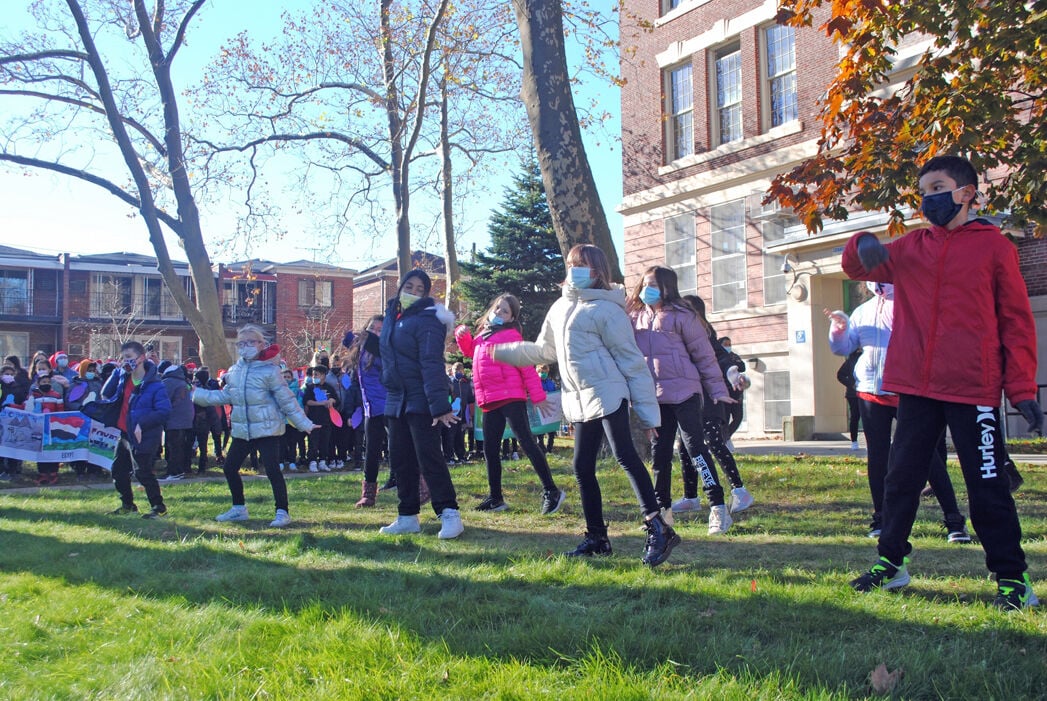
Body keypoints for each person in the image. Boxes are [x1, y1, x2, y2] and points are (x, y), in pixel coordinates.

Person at [845, 155, 1042, 610]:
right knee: (901, 479)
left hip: (972, 387)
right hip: (914, 386)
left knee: (986, 484)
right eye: (923, 190)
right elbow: (858, 268)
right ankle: (890, 564)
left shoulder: (995, 248)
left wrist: (1023, 389)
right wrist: (864, 243)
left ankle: (1013, 579)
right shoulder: (912, 247)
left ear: (966, 192)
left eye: (938, 187)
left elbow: (1015, 321)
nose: (928, 197)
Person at [492, 244, 679, 567]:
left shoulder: (607, 311)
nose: (575, 269)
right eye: (571, 263)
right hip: (578, 400)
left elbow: (632, 363)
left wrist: (649, 416)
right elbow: (543, 351)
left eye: (583, 265)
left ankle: (658, 526)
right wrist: (501, 352)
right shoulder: (559, 308)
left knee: (625, 456)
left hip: (608, 392)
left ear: (598, 272)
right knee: (581, 467)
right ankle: (596, 537)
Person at [827, 282, 971, 542]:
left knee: (927, 458)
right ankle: (881, 519)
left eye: (883, 275)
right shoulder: (863, 311)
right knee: (878, 458)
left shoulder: (912, 304)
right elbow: (842, 348)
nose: (877, 283)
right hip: (871, 391)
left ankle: (954, 521)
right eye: (872, 277)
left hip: (908, 391)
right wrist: (839, 329)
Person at [628, 268, 737, 535]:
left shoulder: (683, 316)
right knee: (659, 455)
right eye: (644, 284)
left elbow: (704, 355)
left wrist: (717, 388)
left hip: (686, 393)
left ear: (667, 288)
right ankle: (662, 512)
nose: (647, 289)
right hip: (655, 397)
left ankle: (718, 508)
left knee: (695, 450)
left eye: (653, 285)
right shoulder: (634, 318)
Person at [192, 325, 316, 528]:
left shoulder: (271, 371)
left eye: (250, 342)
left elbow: (287, 400)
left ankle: (282, 511)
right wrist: (197, 395)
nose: (245, 346)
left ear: (262, 344)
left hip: (267, 429)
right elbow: (226, 396)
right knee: (230, 468)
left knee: (272, 470)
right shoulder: (235, 370)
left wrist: (305, 424)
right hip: (243, 430)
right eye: (241, 343)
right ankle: (239, 508)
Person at [455, 294, 567, 515]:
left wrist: (538, 396)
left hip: (510, 396)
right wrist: (462, 336)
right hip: (489, 399)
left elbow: (526, 366)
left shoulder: (510, 335)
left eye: (505, 311)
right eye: (497, 308)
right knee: (489, 448)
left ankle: (551, 491)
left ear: (512, 317)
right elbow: (470, 352)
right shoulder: (483, 335)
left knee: (526, 441)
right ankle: (496, 498)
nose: (499, 313)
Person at [377, 269, 464, 539]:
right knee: (401, 460)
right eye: (410, 286)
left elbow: (431, 363)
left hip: (421, 400)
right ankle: (407, 516)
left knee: (429, 458)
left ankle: (449, 513)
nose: (414, 292)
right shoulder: (393, 317)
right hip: (396, 399)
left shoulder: (428, 320)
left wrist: (439, 405)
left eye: (419, 289)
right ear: (400, 286)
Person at [673, 294, 753, 518]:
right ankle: (690, 497)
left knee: (714, 444)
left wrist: (734, 374)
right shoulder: (682, 335)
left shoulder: (705, 337)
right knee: (685, 448)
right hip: (687, 399)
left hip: (709, 402)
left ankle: (739, 490)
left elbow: (726, 360)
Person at [86, 341, 170, 517]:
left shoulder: (155, 384)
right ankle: (127, 504)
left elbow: (164, 411)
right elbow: (106, 393)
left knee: (142, 472)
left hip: (144, 434)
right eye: (123, 358)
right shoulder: (123, 378)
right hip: (125, 432)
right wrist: (118, 373)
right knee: (118, 470)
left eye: (129, 357)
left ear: (141, 358)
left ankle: (158, 506)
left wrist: (142, 423)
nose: (126, 361)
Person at [344, 316, 392, 507]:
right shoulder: (362, 348)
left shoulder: (385, 349)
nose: (375, 332)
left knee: (398, 446)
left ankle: (412, 483)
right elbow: (347, 338)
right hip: (370, 408)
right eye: (372, 328)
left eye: (380, 329)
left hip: (388, 404)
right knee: (371, 450)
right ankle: (368, 494)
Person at [159, 364, 194, 481]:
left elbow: (162, 399)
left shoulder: (169, 382)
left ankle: (174, 472)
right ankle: (179, 470)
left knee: (173, 447)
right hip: (186, 419)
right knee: (179, 446)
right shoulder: (184, 382)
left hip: (174, 419)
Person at [302, 364, 338, 472]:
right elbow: (307, 401)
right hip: (313, 419)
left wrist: (331, 401)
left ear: (323, 375)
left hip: (327, 420)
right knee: (313, 442)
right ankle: (312, 462)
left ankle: (323, 461)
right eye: (313, 375)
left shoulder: (329, 388)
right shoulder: (310, 387)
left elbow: (336, 399)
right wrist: (321, 403)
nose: (314, 377)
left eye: (316, 375)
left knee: (325, 442)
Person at [1, 360, 29, 480]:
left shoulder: (17, 388)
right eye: (7, 374)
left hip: (14, 422)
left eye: (12, 374)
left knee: (12, 446)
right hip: (1, 421)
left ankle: (12, 470)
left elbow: (23, 402)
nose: (9, 377)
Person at [717, 337, 745, 441]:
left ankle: (725, 437)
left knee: (738, 417)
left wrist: (732, 363)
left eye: (729, 344)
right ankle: (722, 439)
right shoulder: (717, 357)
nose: (728, 346)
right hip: (725, 392)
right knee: (725, 418)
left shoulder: (734, 356)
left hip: (736, 392)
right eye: (726, 344)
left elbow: (742, 366)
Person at [837, 349, 862, 450]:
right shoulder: (851, 360)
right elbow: (840, 375)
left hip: (867, 392)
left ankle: (871, 442)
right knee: (855, 417)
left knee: (870, 418)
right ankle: (854, 441)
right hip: (853, 394)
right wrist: (852, 385)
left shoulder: (867, 355)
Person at [536, 364, 558, 452]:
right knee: (540, 431)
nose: (543, 374)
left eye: (545, 372)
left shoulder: (550, 383)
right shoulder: (535, 382)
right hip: (540, 409)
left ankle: (550, 448)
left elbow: (555, 393)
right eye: (541, 372)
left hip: (550, 409)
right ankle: (541, 447)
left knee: (551, 431)